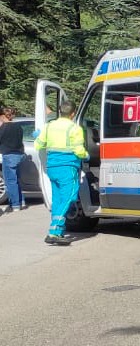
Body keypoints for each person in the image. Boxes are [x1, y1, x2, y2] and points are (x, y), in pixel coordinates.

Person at [33, 100, 87, 245]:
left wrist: (38, 135)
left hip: (52, 168)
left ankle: (57, 230)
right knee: (69, 197)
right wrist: (86, 155)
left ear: (60, 111)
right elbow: (79, 151)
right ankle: (54, 232)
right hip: (67, 168)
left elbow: (38, 144)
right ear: (73, 113)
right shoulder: (75, 129)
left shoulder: (49, 126)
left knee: (57, 199)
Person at [0, 106, 27, 211]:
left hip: (9, 155)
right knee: (16, 180)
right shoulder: (18, 127)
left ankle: (15, 205)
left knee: (10, 181)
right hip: (19, 155)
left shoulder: (3, 128)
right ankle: (21, 201)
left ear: (3, 116)